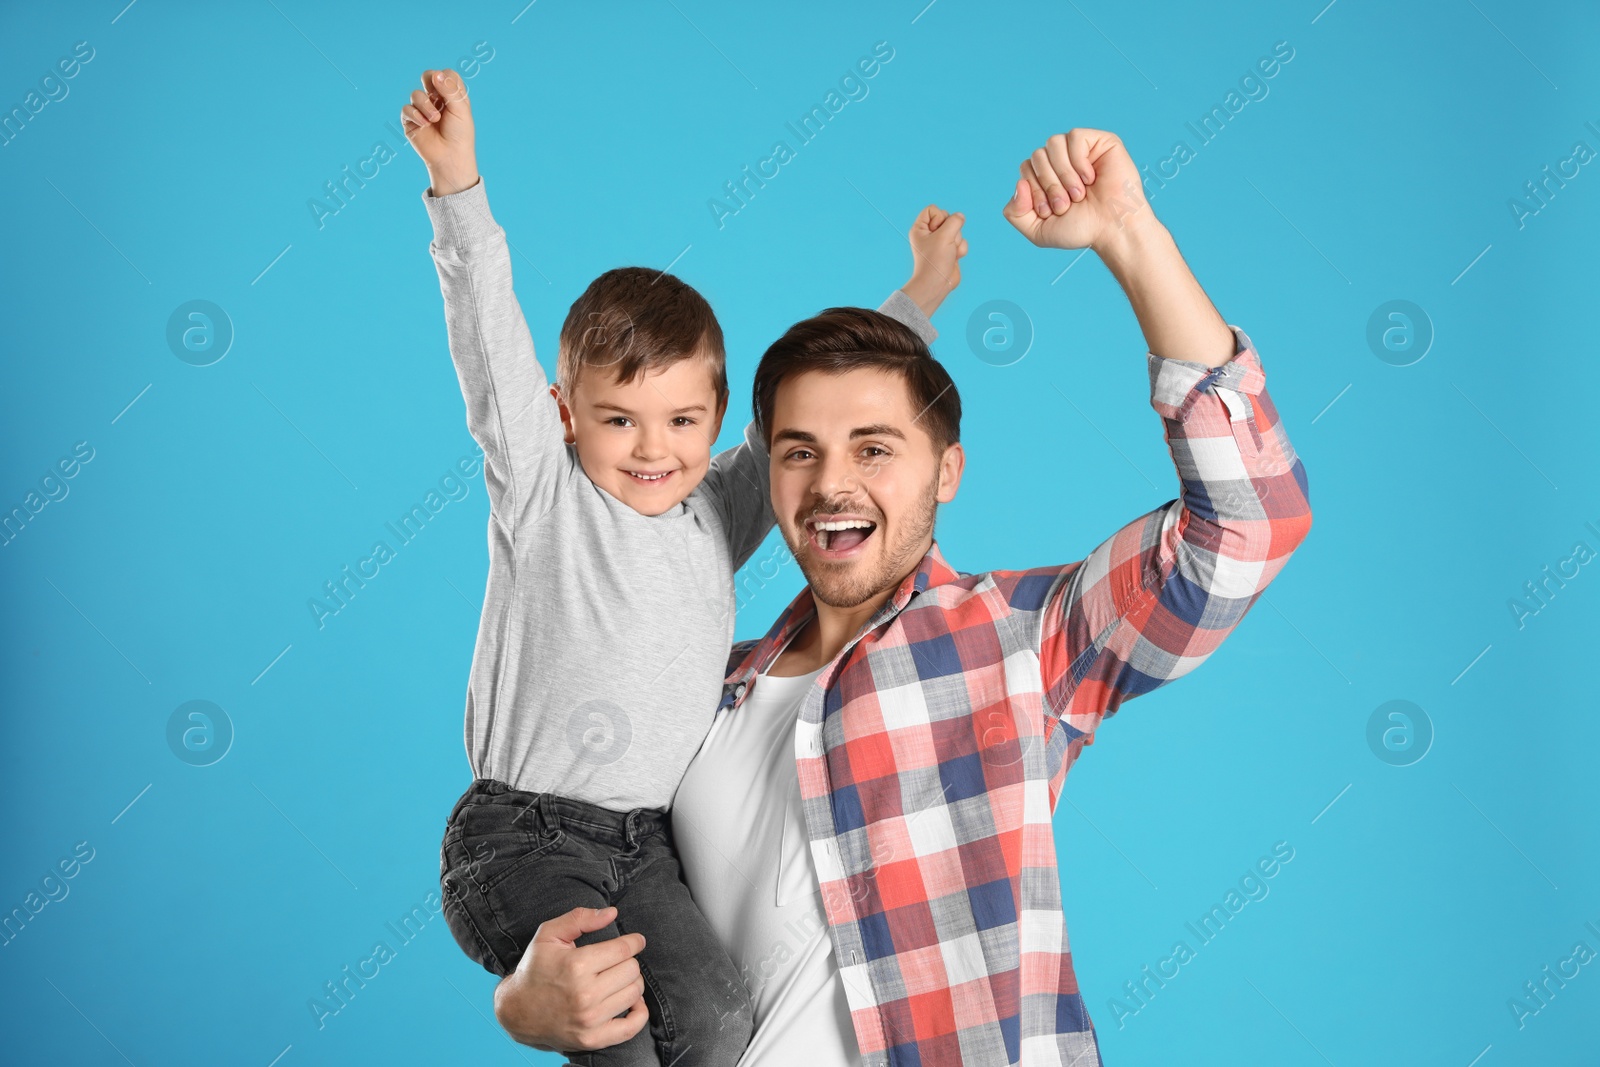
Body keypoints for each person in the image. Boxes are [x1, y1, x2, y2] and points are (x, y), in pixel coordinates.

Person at [492, 127, 1313, 1066]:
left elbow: (1249, 523)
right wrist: (525, 1001)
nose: (832, 482)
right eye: (801, 451)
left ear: (947, 470)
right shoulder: (698, 700)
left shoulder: (1016, 644)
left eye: (875, 448)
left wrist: (1130, 234)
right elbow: (597, 911)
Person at [398, 67, 968, 1066]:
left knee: (714, 1018)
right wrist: (457, 185)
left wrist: (917, 294)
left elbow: (821, 408)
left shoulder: (717, 509)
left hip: (647, 844)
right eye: (617, 419)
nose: (651, 449)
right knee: (612, 1023)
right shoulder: (546, 492)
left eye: (680, 422)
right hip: (524, 837)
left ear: (714, 425)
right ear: (565, 412)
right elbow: (487, 333)